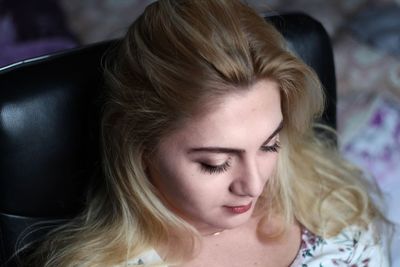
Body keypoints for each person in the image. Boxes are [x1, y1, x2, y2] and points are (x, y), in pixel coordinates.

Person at [29, 0, 390, 266]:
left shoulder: (337, 212)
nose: (254, 185)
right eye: (216, 163)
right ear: (141, 147)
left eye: (270, 145)